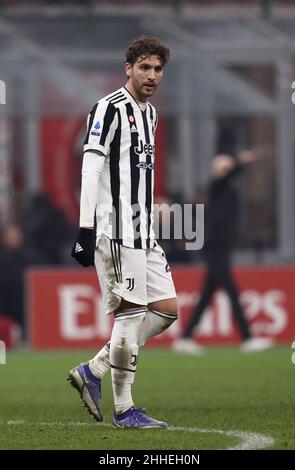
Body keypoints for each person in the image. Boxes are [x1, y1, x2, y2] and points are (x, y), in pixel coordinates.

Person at [68, 36, 178, 429]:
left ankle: (93, 370)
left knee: (166, 309)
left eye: (158, 69)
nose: (151, 75)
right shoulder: (108, 109)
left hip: (143, 231)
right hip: (115, 229)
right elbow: (91, 168)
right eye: (144, 67)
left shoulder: (150, 115)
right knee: (130, 317)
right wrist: (85, 227)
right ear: (127, 68)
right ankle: (124, 409)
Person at [172, 151, 274, 355]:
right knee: (232, 293)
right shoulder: (215, 186)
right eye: (225, 167)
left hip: (221, 248)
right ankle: (248, 338)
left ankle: (185, 338)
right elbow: (228, 175)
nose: (228, 171)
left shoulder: (227, 189)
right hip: (215, 249)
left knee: (206, 296)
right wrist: (241, 163)